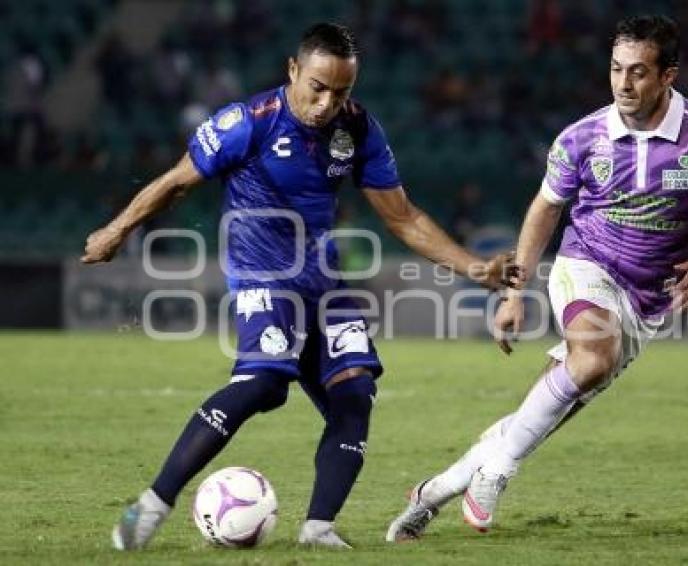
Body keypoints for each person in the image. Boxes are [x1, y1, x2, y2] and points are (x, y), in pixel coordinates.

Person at [82, 23, 517, 550]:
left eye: (342, 91)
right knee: (264, 384)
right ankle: (151, 507)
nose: (327, 103)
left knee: (355, 392)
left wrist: (477, 269)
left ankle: (317, 529)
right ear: (293, 70)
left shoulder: (357, 130)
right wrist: (117, 230)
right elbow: (175, 182)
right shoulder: (247, 123)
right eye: (317, 86)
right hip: (261, 275)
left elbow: (402, 219)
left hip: (323, 282)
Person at [386, 14, 688, 541]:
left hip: (646, 300)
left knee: (550, 408)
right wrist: (515, 291)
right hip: (585, 263)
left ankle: (435, 490)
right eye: (616, 69)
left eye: (638, 72)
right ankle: (497, 474)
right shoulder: (582, 138)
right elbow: (546, 208)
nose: (623, 83)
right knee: (593, 357)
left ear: (669, 76)